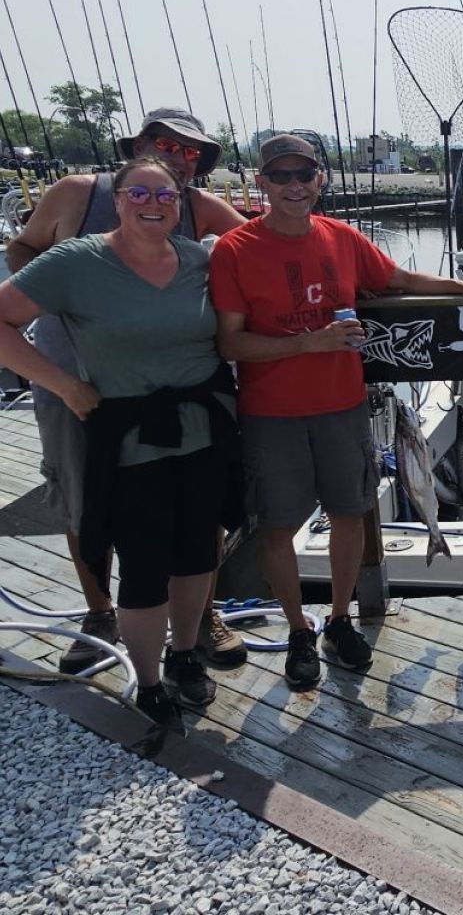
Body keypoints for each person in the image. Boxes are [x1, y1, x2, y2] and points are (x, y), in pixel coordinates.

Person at [209, 133, 463, 689]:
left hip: (344, 405)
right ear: (261, 184)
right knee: (277, 528)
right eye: (280, 176)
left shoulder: (343, 237)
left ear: (319, 180)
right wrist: (309, 343)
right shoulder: (235, 249)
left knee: (350, 514)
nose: (293, 186)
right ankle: (298, 631)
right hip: (271, 414)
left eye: (303, 174)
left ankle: (339, 619)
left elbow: (399, 280)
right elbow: (229, 342)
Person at [0, 156, 242, 736]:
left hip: (204, 433)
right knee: (143, 566)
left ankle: (184, 654)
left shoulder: (198, 260)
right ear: (117, 200)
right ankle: (151, 682)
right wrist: (62, 384)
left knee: (198, 555)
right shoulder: (75, 261)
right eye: (139, 193)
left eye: (165, 195)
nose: (153, 204)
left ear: (181, 204)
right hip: (129, 441)